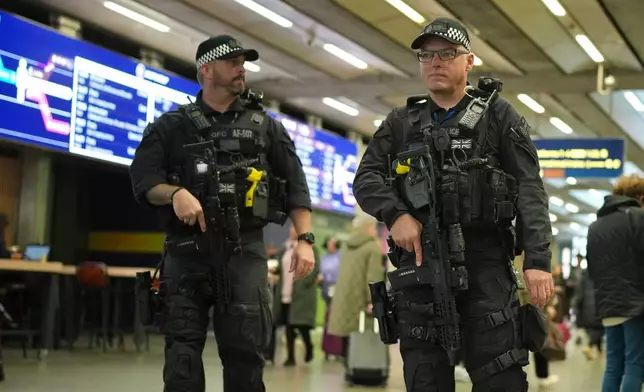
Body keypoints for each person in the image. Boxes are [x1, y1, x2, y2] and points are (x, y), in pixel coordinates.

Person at [352, 17, 553, 392]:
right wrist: (395, 215)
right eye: (426, 55)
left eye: (447, 53)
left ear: (469, 61)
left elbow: (529, 189)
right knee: (425, 378)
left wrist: (538, 261)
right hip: (420, 265)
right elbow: (365, 178)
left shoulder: (498, 115)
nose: (435, 62)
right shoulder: (400, 122)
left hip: (486, 264)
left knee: (502, 378)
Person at [129, 34, 316, 392]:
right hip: (186, 253)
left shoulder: (267, 127)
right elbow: (143, 179)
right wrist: (175, 194)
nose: (241, 69)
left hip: (244, 251)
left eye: (243, 63)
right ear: (207, 69)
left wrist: (305, 239)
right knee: (181, 358)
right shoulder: (171, 126)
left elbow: (296, 185)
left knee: (246, 356)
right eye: (233, 62)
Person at [586, 174, 644, 392]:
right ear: (640, 197)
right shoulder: (638, 217)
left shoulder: (596, 225)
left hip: (607, 303)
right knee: (635, 364)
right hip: (636, 304)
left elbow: (592, 268)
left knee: (613, 366)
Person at [327, 215, 384, 357]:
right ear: (369, 227)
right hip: (360, 300)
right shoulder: (372, 247)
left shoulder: (347, 246)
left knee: (347, 334)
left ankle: (349, 366)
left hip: (343, 298)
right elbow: (373, 277)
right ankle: (360, 367)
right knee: (362, 332)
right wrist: (373, 300)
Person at [269, 225, 319, 366]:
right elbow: (281, 268)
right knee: (288, 326)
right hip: (284, 293)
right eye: (291, 230)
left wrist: (302, 283)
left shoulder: (311, 250)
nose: (293, 232)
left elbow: (315, 270)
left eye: (296, 230)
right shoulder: (284, 250)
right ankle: (291, 357)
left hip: (300, 294)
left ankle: (309, 347)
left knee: (302, 325)